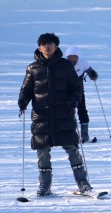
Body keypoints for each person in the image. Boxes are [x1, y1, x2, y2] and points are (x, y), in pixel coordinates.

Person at [18, 33, 95, 197]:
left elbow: (76, 88)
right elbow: (26, 89)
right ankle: (44, 186)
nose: (47, 46)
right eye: (44, 44)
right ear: (39, 47)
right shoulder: (32, 68)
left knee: (73, 149)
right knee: (42, 151)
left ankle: (84, 185)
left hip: (64, 113)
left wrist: (73, 101)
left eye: (50, 43)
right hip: (41, 117)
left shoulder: (66, 65)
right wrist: (23, 101)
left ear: (56, 46)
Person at [61, 46, 100, 143]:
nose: (72, 59)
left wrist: (93, 75)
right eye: (70, 57)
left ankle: (84, 135)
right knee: (66, 111)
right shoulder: (62, 63)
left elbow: (90, 71)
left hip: (78, 91)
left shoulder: (83, 63)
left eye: (74, 57)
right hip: (64, 91)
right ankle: (67, 134)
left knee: (82, 109)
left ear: (78, 57)